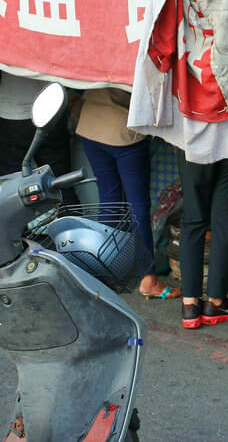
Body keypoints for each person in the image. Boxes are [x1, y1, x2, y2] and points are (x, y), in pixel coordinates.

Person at [75, 88, 176, 300]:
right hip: (123, 130)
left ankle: (105, 272)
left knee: (109, 198)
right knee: (137, 206)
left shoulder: (95, 52)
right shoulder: (133, 53)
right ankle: (148, 278)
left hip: (89, 124)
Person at [177, 153, 228, 329]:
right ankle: (215, 302)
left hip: (192, 143)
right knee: (225, 223)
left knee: (193, 220)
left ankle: (190, 305)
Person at [0, 64, 72, 180]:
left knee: (12, 186)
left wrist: (11, 84)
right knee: (60, 182)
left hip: (11, 118)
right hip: (51, 113)